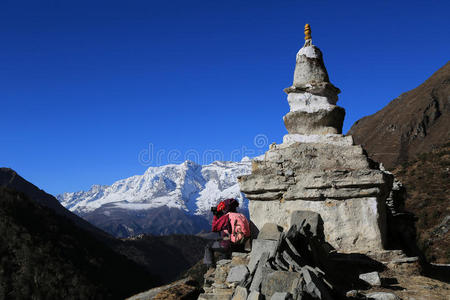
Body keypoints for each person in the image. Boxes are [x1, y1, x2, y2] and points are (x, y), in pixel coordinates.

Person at [203, 198, 246, 268]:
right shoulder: (241, 215)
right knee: (224, 245)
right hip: (241, 245)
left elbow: (214, 228)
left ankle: (210, 268)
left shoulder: (226, 217)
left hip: (230, 245)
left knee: (208, 246)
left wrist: (215, 216)